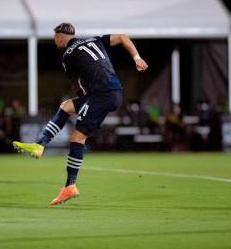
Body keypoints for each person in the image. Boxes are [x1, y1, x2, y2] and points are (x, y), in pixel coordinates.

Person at [13, 22, 148, 205]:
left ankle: (70, 186)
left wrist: (84, 101)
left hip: (101, 95)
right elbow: (123, 36)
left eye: (55, 38)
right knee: (66, 106)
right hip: (113, 92)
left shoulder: (68, 55)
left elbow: (76, 85)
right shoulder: (95, 40)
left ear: (61, 37)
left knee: (77, 138)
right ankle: (40, 145)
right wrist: (137, 58)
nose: (55, 42)